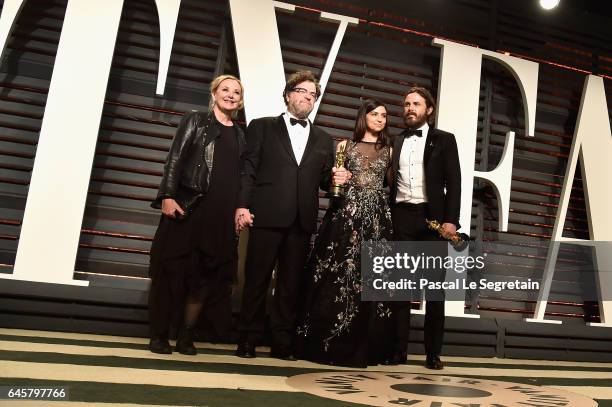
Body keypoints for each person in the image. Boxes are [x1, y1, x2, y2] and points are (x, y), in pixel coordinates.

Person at [234, 70, 350, 360]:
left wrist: (338, 176)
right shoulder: (261, 127)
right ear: (288, 94)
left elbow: (324, 181)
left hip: (302, 220)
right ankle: (247, 339)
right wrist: (242, 206)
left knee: (290, 285)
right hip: (266, 214)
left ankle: (281, 342)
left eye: (313, 94)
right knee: (257, 279)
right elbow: (249, 169)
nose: (308, 97)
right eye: (303, 91)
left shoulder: (324, 139)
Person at [147, 74, 246, 355]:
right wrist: (167, 196)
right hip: (188, 208)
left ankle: (186, 335)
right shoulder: (195, 120)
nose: (230, 94)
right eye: (225, 89)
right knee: (171, 273)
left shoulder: (241, 134)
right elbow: (175, 158)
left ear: (241, 100)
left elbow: (240, 176)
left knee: (205, 278)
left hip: (219, 217)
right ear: (214, 93)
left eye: (236, 92)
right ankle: (159, 334)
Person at [295, 99, 394, 368]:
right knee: (334, 271)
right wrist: (337, 180)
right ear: (363, 116)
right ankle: (325, 341)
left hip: (375, 218)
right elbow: (330, 182)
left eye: (384, 115)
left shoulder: (389, 150)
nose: (380, 119)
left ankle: (367, 348)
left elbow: (394, 188)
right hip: (345, 214)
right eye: (375, 114)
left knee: (370, 277)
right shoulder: (343, 146)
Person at [388, 86, 461, 369]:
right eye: (406, 104)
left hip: (434, 221)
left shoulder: (445, 140)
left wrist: (451, 220)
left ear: (428, 109)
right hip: (402, 216)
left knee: (434, 290)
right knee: (400, 287)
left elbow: (454, 182)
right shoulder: (395, 140)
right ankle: (398, 351)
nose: (410, 108)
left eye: (416, 104)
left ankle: (433, 353)